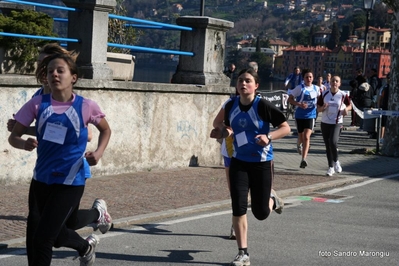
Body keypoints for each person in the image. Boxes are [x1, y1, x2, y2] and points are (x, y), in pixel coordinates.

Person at [6, 43, 109, 266]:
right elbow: (22, 135)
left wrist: (98, 153)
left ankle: (94, 219)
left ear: (72, 76)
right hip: (42, 177)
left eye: (56, 68)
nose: (50, 72)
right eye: (45, 67)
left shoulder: (83, 105)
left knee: (44, 235)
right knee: (48, 230)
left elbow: (95, 132)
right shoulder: (37, 100)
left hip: (70, 177)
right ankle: (87, 241)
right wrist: (23, 136)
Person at [210, 68, 290, 266]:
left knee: (261, 213)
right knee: (238, 207)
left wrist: (268, 137)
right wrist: (224, 131)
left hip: (262, 163)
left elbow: (286, 128)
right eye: (240, 81)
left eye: (247, 81)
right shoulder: (231, 105)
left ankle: (272, 197)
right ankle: (243, 253)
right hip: (239, 162)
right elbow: (219, 124)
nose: (243, 84)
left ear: (256, 85)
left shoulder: (262, 105)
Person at [317, 76, 352, 176]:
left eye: (336, 81)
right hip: (325, 123)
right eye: (332, 81)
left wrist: (346, 109)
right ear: (330, 83)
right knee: (328, 145)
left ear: (339, 84)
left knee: (333, 141)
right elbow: (318, 109)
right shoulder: (324, 94)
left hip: (337, 122)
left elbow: (350, 105)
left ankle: (336, 161)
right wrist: (322, 107)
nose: (334, 83)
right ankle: (330, 167)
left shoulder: (343, 95)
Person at [288, 69, 320, 168]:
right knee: (301, 136)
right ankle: (298, 145)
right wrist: (299, 104)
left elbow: (321, 100)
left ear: (313, 78)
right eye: (306, 77)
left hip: (311, 115)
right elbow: (290, 99)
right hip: (300, 115)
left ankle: (303, 159)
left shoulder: (317, 89)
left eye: (310, 77)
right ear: (303, 78)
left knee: (307, 137)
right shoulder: (299, 88)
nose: (308, 79)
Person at [377, 73, 390, 144]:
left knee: (385, 123)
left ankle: (384, 137)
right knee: (383, 123)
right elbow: (380, 97)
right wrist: (379, 107)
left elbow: (380, 98)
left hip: (388, 107)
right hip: (384, 107)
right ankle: (381, 137)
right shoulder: (384, 88)